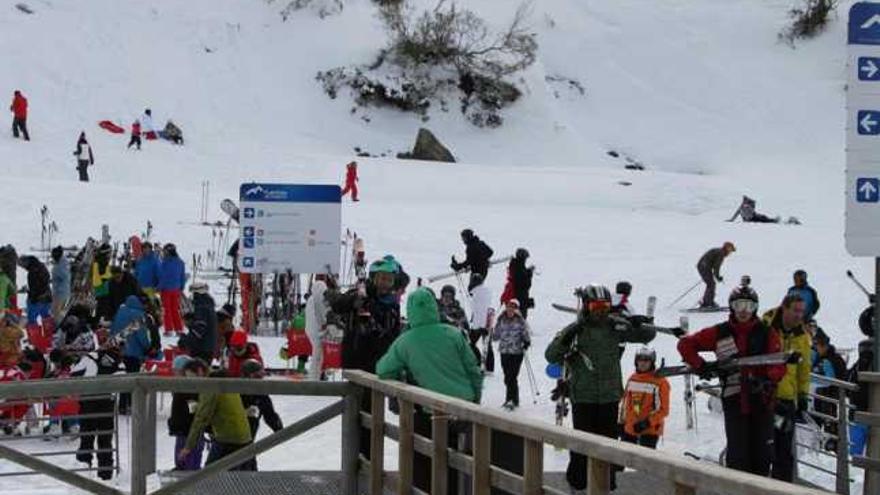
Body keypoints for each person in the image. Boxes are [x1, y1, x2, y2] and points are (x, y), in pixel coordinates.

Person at [545, 284, 656, 491]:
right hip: (583, 396)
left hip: (608, 396)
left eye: (605, 306)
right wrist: (568, 337)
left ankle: (607, 484)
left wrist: (639, 323)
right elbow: (551, 356)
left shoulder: (614, 327)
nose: (601, 311)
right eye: (596, 306)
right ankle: (577, 484)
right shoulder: (576, 330)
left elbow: (648, 336)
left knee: (607, 444)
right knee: (581, 445)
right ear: (587, 306)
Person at [377, 287, 483, 494]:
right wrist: (475, 399)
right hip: (463, 410)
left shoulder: (405, 341)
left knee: (425, 465)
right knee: (462, 465)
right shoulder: (454, 334)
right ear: (435, 308)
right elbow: (473, 370)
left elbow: (383, 369)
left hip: (428, 413)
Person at [677, 286, 786, 476]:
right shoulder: (720, 332)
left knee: (762, 456)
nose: (743, 311)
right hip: (734, 399)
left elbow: (779, 363)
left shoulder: (766, 333)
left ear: (755, 308)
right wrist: (701, 365)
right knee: (738, 456)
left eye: (748, 306)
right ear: (731, 307)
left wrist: (767, 379)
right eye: (738, 305)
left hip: (762, 401)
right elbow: (685, 344)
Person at [762, 293, 811, 482]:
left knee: (783, 449)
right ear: (785, 308)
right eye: (796, 310)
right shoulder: (766, 326)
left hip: (786, 400)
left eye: (802, 311)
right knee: (764, 445)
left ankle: (782, 485)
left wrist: (803, 395)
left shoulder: (801, 336)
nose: (799, 315)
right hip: (764, 396)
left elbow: (804, 368)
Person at [179, 359, 255, 471]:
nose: (192, 382)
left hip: (228, 438)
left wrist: (188, 447)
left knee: (210, 475)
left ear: (200, 371)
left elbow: (201, 418)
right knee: (235, 475)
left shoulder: (210, 386)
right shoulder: (222, 379)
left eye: (191, 377)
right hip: (242, 435)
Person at [614, 346, 669, 484]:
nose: (643, 363)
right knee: (620, 459)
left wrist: (647, 422)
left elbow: (663, 409)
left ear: (652, 362)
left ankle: (647, 487)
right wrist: (621, 422)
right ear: (636, 361)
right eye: (640, 360)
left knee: (646, 462)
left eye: (647, 360)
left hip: (649, 429)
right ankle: (613, 486)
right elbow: (625, 402)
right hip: (630, 426)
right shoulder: (633, 379)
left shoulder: (660, 382)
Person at [73, 342, 123, 480]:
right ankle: (106, 473)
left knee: (86, 437)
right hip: (106, 402)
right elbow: (123, 381)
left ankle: (83, 469)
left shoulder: (90, 357)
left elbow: (75, 373)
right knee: (105, 440)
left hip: (88, 400)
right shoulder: (118, 361)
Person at [111, 295, 151, 414]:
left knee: (124, 378)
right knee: (133, 380)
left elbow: (113, 331)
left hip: (120, 350)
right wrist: (147, 347)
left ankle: (122, 405)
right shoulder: (138, 315)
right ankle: (130, 405)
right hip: (134, 352)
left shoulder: (120, 312)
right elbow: (141, 335)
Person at [167, 355, 204, 470]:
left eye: (177, 371)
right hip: (181, 431)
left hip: (190, 432)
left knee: (190, 463)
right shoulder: (180, 387)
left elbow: (193, 411)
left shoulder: (192, 389)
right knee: (180, 461)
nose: (174, 374)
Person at [493, 298, 530, 409]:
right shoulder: (501, 319)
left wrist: (526, 342)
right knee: (507, 376)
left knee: (511, 376)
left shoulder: (520, 320)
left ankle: (510, 400)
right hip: (504, 351)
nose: (510, 309)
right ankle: (515, 399)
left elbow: (525, 333)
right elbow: (496, 336)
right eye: (508, 306)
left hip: (516, 352)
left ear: (516, 309)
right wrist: (491, 333)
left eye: (513, 307)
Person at [812, 331, 847, 447]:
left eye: (818, 346)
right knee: (828, 422)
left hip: (828, 396)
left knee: (829, 423)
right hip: (831, 396)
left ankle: (832, 445)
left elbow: (828, 380)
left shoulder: (828, 360)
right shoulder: (831, 357)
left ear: (824, 346)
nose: (817, 349)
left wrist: (810, 381)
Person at [240, 360, 283, 448]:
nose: (260, 379)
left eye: (261, 376)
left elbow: (269, 415)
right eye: (257, 376)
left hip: (247, 437)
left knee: (246, 457)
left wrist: (279, 430)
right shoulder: (235, 389)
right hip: (226, 434)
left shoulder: (260, 394)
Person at [180, 283, 217, 363]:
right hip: (208, 347)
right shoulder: (208, 305)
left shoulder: (201, 307)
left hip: (202, 348)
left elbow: (199, 329)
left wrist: (186, 340)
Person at [696, 242, 736, 309]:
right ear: (727, 248)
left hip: (704, 267)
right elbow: (716, 267)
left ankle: (707, 301)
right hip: (704, 267)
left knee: (711, 284)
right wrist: (718, 277)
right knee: (711, 284)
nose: (730, 253)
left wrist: (715, 275)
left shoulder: (719, 251)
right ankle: (708, 303)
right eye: (731, 250)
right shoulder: (721, 253)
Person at [158, 243, 186, 335]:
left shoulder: (165, 263)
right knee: (175, 309)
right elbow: (182, 276)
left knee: (167, 310)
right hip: (176, 289)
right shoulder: (180, 262)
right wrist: (181, 286)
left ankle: (169, 329)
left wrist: (159, 287)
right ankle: (179, 328)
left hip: (166, 290)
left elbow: (163, 277)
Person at [500, 248, 534, 319]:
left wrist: (528, 271)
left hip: (516, 295)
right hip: (519, 295)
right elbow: (524, 283)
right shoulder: (519, 266)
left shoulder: (516, 264)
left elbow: (521, 275)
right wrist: (530, 273)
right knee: (520, 316)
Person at [305, 276, 328, 379]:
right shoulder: (320, 300)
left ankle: (316, 375)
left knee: (317, 356)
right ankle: (315, 377)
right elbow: (322, 316)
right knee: (318, 357)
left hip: (311, 332)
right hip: (318, 332)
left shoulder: (310, 300)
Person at [469, 273, 493, 369]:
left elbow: (479, 311)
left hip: (480, 324)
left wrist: (478, 326)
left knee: (470, 343)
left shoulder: (477, 294)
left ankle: (477, 362)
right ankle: (490, 367)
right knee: (487, 346)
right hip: (489, 321)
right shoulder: (487, 292)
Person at [92, 243, 114, 323]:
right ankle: (100, 324)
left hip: (98, 288)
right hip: (103, 288)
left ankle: (98, 322)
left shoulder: (97, 259)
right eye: (110, 253)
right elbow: (103, 274)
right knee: (103, 309)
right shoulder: (103, 261)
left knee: (100, 308)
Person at [50, 246, 71, 321]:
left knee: (56, 312)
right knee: (58, 311)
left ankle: (58, 327)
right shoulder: (63, 263)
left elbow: (63, 277)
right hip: (64, 292)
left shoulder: (59, 267)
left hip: (60, 293)